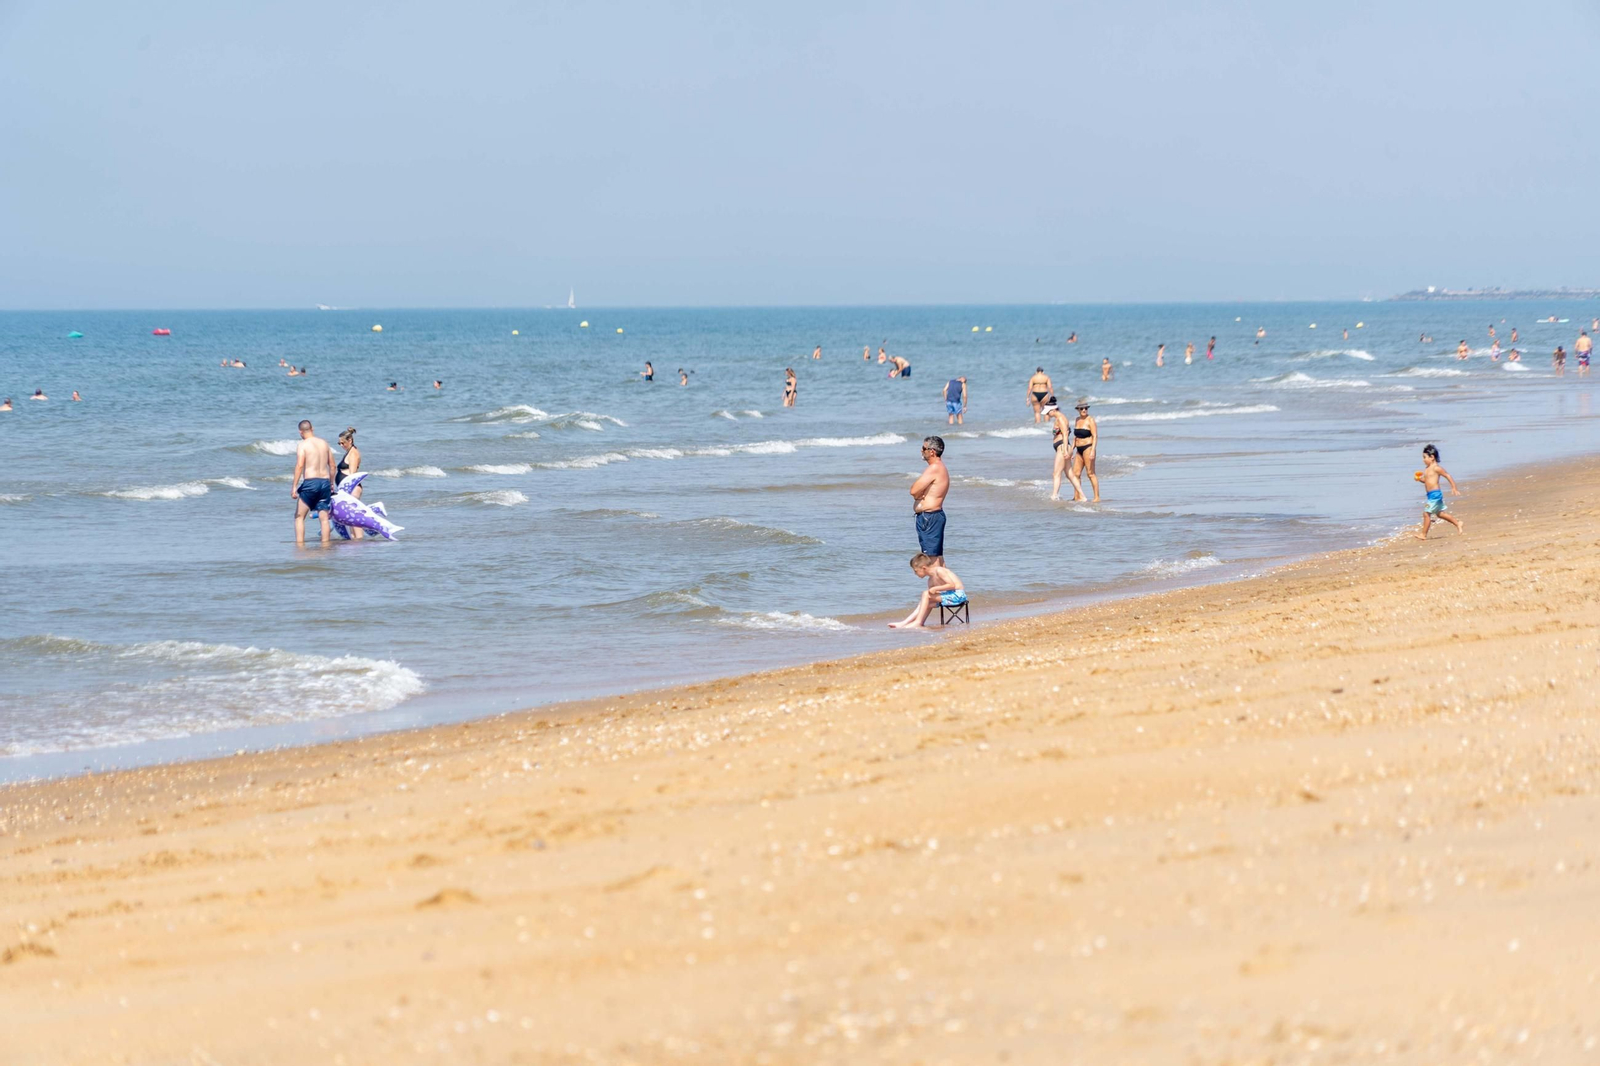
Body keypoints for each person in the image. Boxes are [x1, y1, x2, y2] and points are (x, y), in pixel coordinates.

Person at [290, 419, 338, 546]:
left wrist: (294, 486)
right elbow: (333, 466)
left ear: (300, 432)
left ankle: (300, 547)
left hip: (311, 483)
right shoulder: (324, 443)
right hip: (325, 482)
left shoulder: (303, 445)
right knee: (324, 519)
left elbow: (300, 466)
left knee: (299, 517)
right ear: (312, 429)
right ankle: (325, 546)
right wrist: (331, 483)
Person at [888, 553, 965, 630]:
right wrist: (934, 591)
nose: (915, 574)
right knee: (925, 602)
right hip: (949, 596)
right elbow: (930, 597)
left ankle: (918, 622)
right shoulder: (930, 580)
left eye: (916, 571)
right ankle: (906, 622)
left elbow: (951, 585)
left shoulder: (939, 571)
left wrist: (936, 589)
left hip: (958, 595)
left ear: (923, 568)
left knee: (925, 594)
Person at [910, 436, 949, 566]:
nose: (921, 451)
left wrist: (917, 496)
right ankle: (950, 586)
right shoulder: (939, 467)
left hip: (930, 518)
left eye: (924, 448)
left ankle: (944, 586)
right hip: (931, 517)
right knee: (937, 559)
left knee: (932, 561)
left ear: (932, 451)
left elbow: (914, 491)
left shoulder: (934, 468)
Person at [1413, 444, 1462, 540]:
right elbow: (1426, 481)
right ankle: (1457, 523)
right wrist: (1419, 479)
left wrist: (1454, 487)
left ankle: (1423, 534)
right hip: (1431, 495)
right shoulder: (1427, 469)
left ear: (1432, 457)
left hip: (1435, 495)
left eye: (1425, 457)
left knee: (1426, 513)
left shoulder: (1436, 468)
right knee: (1440, 514)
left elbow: (1447, 475)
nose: (1423, 460)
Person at [1066, 401, 1101, 503]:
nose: (1084, 410)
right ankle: (1077, 496)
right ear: (1078, 410)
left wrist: (1093, 450)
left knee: (1090, 474)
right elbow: (1076, 437)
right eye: (1082, 409)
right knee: (1076, 474)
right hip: (1078, 450)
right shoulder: (1077, 420)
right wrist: (1071, 449)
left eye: (1086, 408)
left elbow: (1095, 436)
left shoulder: (1090, 420)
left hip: (1088, 448)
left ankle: (1096, 497)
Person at [336, 427, 365, 539]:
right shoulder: (349, 452)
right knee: (350, 518)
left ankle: (359, 539)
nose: (341, 445)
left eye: (343, 443)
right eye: (339, 443)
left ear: (350, 441)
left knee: (354, 516)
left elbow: (353, 475)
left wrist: (347, 491)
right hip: (348, 489)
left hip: (353, 488)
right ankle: (355, 540)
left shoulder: (353, 454)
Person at [1044, 400, 1071, 501]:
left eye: (1048, 412)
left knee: (1056, 473)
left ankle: (1054, 495)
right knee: (1070, 474)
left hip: (1062, 446)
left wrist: (1065, 450)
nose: (1047, 414)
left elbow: (1065, 434)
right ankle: (1081, 495)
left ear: (1054, 410)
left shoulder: (1061, 419)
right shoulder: (1057, 419)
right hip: (1060, 446)